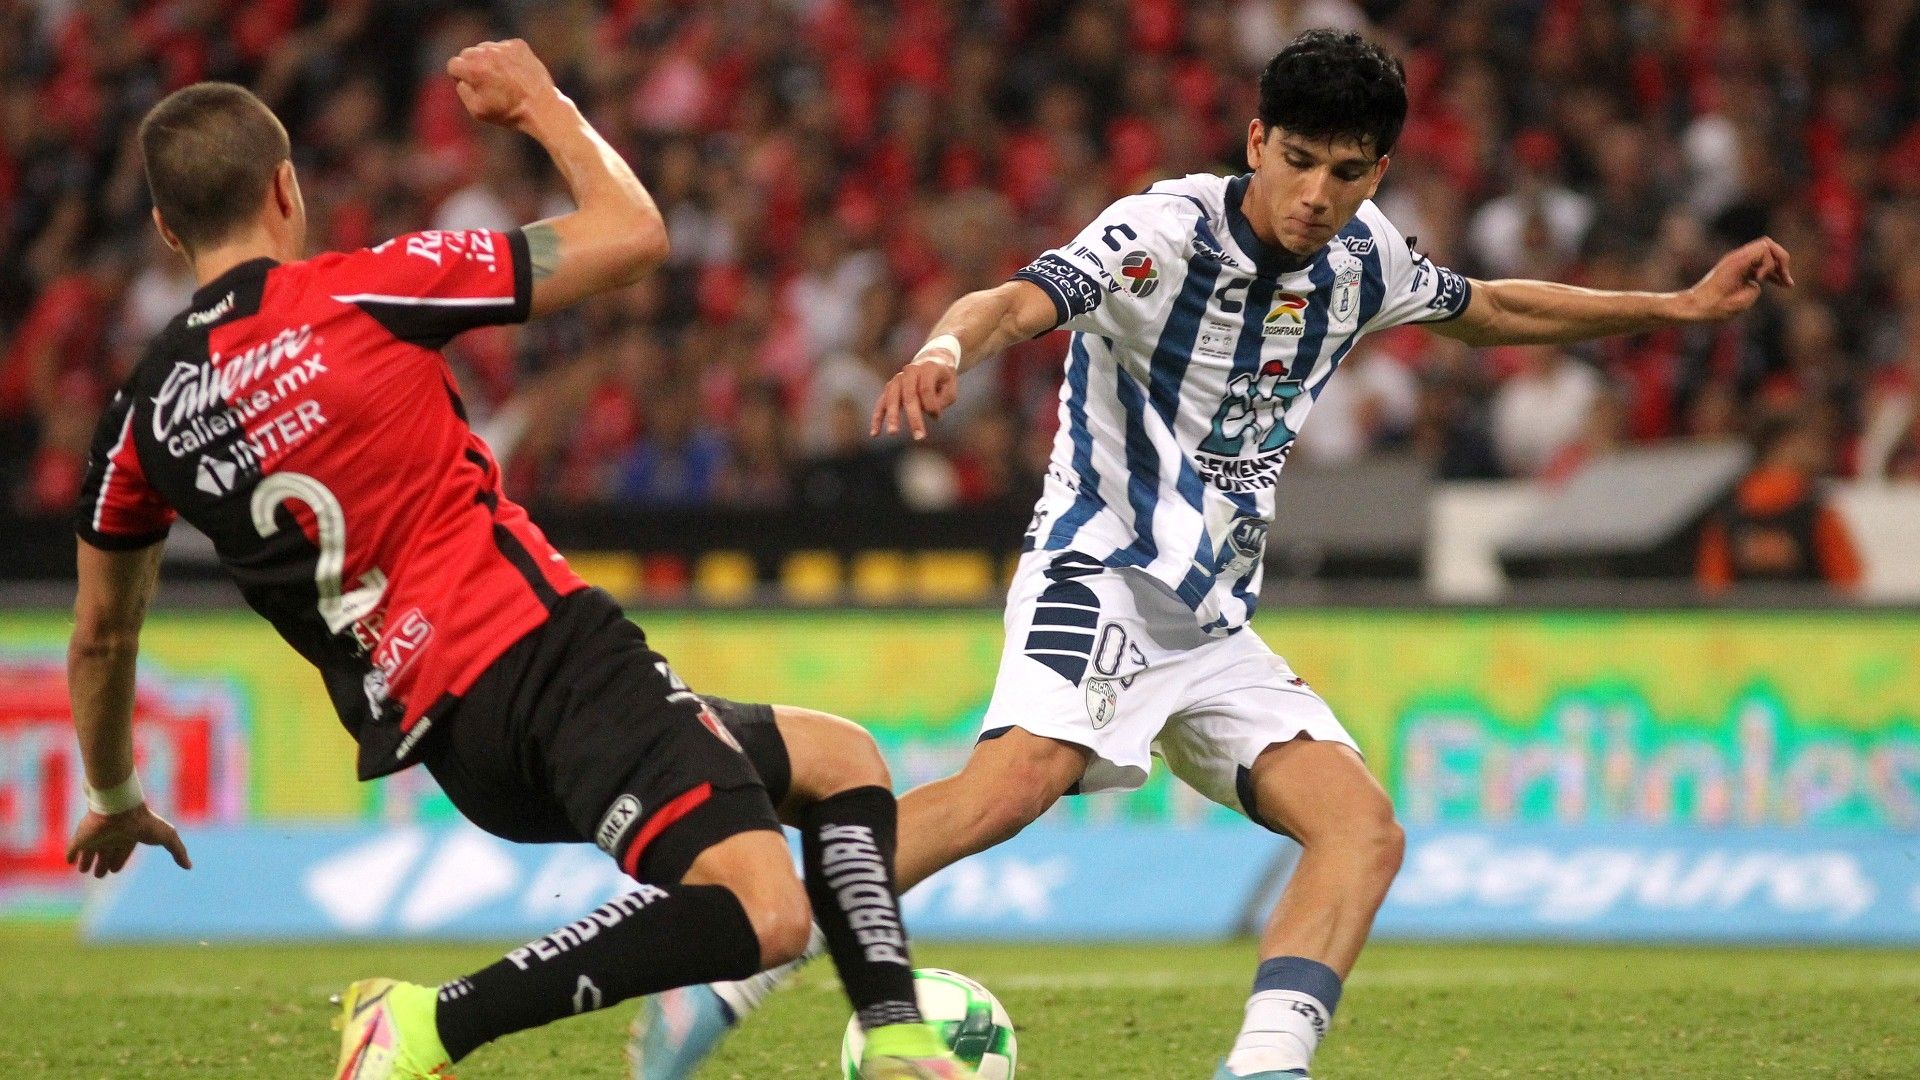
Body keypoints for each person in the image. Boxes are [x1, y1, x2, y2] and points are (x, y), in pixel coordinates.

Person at [633, 29, 1794, 1080]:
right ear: (1255, 140)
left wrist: (1678, 308)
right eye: (1297, 160)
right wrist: (946, 345)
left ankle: (1264, 1071)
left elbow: (1488, 308)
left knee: (1363, 830)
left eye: (1348, 172)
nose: (1317, 195)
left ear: (1378, 173)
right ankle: (736, 956)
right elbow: (1017, 297)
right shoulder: (1160, 234)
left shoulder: (1365, 260)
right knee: (1011, 787)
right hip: (1098, 568)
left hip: (1212, 620)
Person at [60, 40, 970, 1080]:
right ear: (285, 188)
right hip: (543, 657)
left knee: (842, 760)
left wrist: (116, 786)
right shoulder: (369, 290)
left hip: (457, 746)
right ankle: (429, 1024)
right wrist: (542, 103)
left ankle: (899, 1042)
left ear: (166, 228)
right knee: (762, 912)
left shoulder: (143, 416)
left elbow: (102, 634)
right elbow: (632, 234)